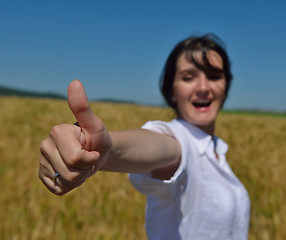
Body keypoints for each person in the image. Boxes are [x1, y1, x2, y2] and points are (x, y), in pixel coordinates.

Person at [38, 34, 250, 240]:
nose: (203, 87)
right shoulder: (180, 140)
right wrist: (108, 149)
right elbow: (161, 147)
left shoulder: (217, 149)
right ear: (172, 91)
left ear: (226, 86)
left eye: (214, 76)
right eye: (188, 77)